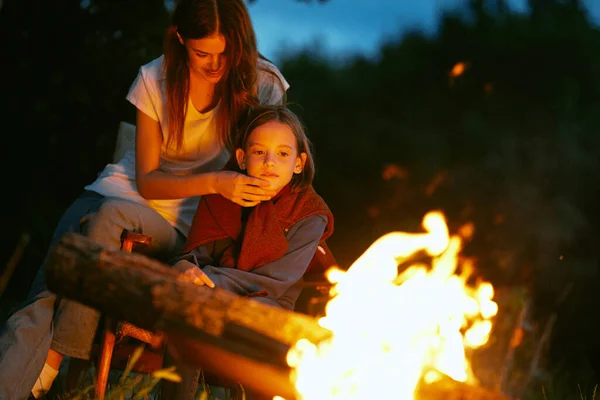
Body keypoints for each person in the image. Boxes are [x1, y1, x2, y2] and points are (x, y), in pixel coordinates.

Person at [0, 0, 289, 398]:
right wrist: (217, 181)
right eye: (202, 53)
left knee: (92, 241)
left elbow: (275, 156)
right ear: (180, 38)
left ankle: (55, 362)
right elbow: (149, 182)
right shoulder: (155, 79)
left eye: (226, 52)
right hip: (117, 194)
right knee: (46, 290)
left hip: (181, 222)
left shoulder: (262, 83)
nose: (216, 65)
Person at [163, 105, 334, 400]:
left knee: (265, 335)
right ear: (242, 158)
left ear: (298, 163)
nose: (270, 162)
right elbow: (195, 257)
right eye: (259, 152)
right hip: (210, 298)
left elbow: (274, 282)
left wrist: (211, 281)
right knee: (187, 309)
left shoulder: (310, 214)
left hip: (269, 306)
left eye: (282, 153)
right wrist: (185, 270)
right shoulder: (221, 196)